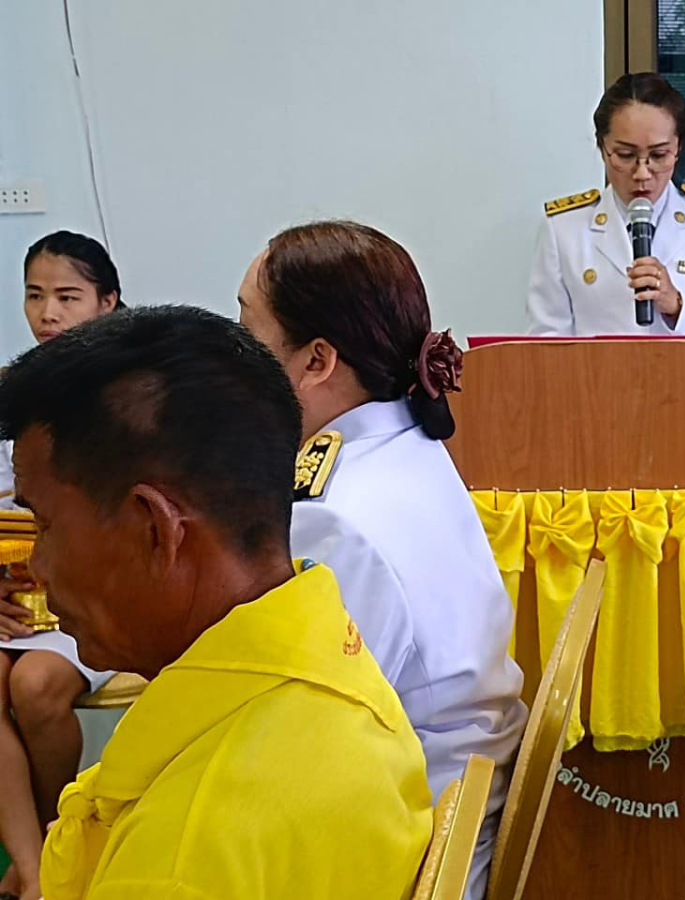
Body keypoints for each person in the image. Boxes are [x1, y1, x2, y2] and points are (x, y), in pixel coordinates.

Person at [0, 306, 432, 900]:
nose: (35, 566)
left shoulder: (180, 860)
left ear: (155, 528)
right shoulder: (328, 649)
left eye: (43, 524)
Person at [237, 220, 526, 898]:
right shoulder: (403, 447)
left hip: (403, 842)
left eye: (246, 331)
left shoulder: (335, 514)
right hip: (445, 805)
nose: (234, 358)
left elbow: (311, 742)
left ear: (316, 361)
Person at [0, 231, 122, 900]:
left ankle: (57, 835)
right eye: (35, 295)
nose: (48, 313)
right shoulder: (11, 395)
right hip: (20, 594)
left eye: (67, 297)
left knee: (36, 687)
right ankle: (33, 863)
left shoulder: (131, 396)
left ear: (107, 303)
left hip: (95, 594)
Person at [526, 72, 685, 337]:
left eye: (658, 155)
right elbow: (544, 344)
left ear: (678, 148)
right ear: (602, 148)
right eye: (626, 156)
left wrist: (678, 307)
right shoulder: (564, 230)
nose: (642, 173)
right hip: (596, 378)